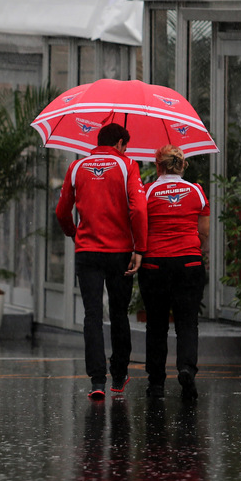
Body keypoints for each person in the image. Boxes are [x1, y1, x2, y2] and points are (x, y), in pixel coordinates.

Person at [56, 122, 147, 399]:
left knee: (92, 315)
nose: (126, 150)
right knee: (119, 314)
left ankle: (97, 381)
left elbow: (61, 211)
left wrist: (74, 233)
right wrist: (139, 248)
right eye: (126, 145)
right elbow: (139, 209)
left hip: (87, 253)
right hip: (119, 253)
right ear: (120, 143)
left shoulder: (76, 168)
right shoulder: (127, 165)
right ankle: (118, 376)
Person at [138, 144, 210, 400]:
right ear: (182, 165)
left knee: (156, 325)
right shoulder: (197, 192)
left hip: (155, 264)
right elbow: (203, 233)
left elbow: (139, 227)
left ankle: (156, 384)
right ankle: (187, 368)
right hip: (189, 263)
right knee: (187, 323)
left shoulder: (147, 192)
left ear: (158, 166)